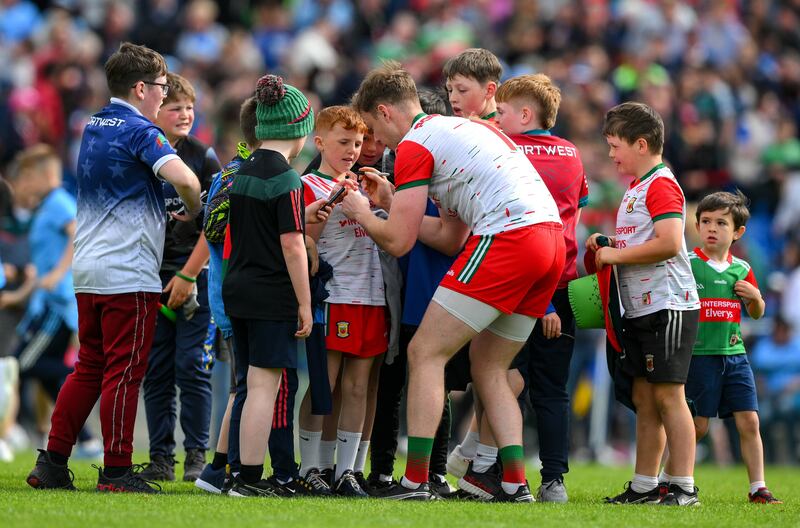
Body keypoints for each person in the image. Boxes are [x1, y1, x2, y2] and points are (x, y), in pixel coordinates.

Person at [342, 62, 564, 502]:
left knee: (424, 352)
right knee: (489, 366)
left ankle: (415, 480)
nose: (375, 142)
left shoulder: (413, 145)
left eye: (372, 129)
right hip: (550, 241)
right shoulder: (464, 129)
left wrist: (363, 213)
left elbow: (399, 242)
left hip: (510, 236)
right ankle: (515, 484)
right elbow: (448, 237)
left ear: (385, 112)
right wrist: (390, 201)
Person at [26, 42, 201, 493]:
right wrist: (193, 206)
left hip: (88, 269)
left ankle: (52, 462)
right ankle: (118, 471)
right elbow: (186, 178)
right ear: (141, 88)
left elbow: (124, 184)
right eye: (162, 87)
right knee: (123, 372)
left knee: (88, 368)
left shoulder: (94, 124)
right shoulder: (140, 129)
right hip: (129, 272)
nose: (164, 95)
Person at [588, 102, 701, 506]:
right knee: (643, 397)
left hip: (668, 305)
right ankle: (644, 485)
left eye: (615, 146)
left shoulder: (661, 184)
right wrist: (609, 246)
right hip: (639, 307)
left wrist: (615, 256)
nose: (612, 155)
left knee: (670, 396)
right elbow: (643, 242)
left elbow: (670, 242)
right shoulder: (637, 186)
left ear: (641, 143)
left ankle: (683, 485)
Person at [494, 73, 590, 503]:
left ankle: (494, 470)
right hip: (564, 281)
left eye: (502, 112)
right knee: (552, 388)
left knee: (501, 377)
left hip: (518, 283)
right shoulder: (572, 154)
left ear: (525, 115)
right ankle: (554, 480)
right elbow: (574, 217)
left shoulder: (508, 150)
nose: (496, 120)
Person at [221, 74, 315, 497]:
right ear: (298, 131)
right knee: (265, 386)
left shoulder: (240, 172)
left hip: (237, 288)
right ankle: (250, 478)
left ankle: (234, 472)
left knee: (246, 385)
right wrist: (305, 302)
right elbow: (293, 245)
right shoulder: (287, 179)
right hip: (270, 292)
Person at [668, 191, 779, 503]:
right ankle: (669, 478)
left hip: (735, 356)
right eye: (705, 222)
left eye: (721, 222)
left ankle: (758, 488)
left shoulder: (741, 269)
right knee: (698, 427)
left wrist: (756, 298)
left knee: (750, 420)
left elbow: (757, 311)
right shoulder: (687, 264)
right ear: (697, 226)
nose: (712, 228)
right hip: (699, 358)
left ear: (738, 231)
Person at [298, 105, 385, 497]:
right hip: (334, 297)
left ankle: (347, 471)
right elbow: (304, 241)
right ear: (319, 142)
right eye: (343, 142)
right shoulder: (307, 186)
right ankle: (309, 466)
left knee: (358, 387)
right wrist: (329, 206)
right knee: (323, 384)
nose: (353, 150)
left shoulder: (362, 186)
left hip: (372, 296)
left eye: (358, 142)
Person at [140, 72, 221, 482]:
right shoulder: (140, 154)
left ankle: (195, 455)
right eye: (176, 108)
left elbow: (216, 224)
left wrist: (188, 275)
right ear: (156, 110)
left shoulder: (203, 157)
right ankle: (159, 457)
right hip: (150, 279)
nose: (185, 114)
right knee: (156, 369)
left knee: (192, 366)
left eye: (190, 107)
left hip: (196, 278)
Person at [6, 146, 102, 459]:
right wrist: (17, 296)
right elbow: (42, 269)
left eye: (24, 179)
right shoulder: (45, 208)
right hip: (43, 305)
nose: (21, 186)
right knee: (30, 367)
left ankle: (75, 384)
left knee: (22, 364)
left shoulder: (59, 203)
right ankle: (85, 439)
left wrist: (59, 273)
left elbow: (78, 237)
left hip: (56, 307)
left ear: (41, 177)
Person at [443, 48, 501, 121]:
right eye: (450, 90)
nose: (452, 99)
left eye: (462, 90)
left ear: (489, 90)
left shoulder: (505, 131)